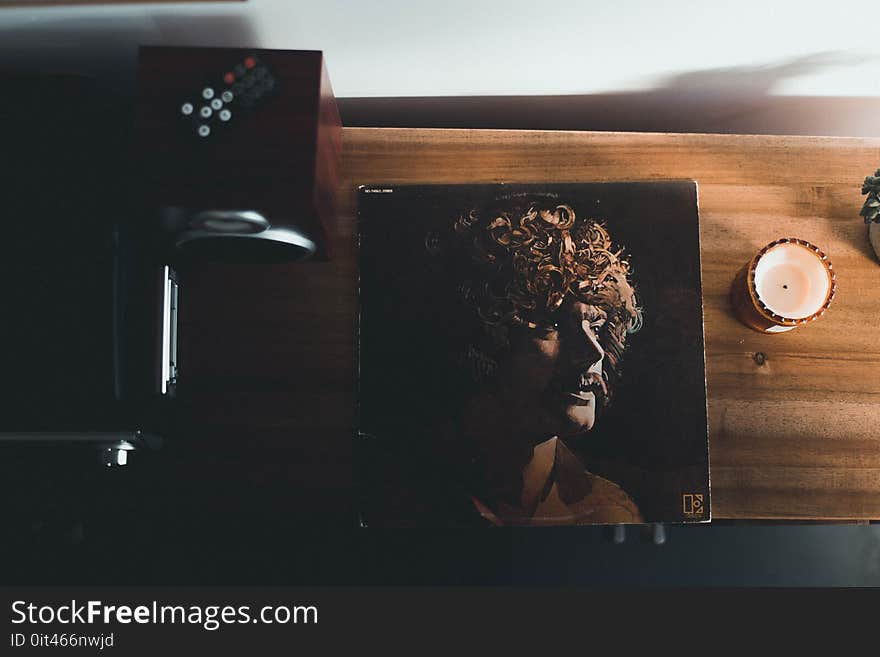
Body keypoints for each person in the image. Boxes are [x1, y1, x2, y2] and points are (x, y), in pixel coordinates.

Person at [430, 194, 644, 525]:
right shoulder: (406, 500)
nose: (593, 352)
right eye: (553, 325)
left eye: (597, 326)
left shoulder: (612, 513)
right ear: (484, 337)